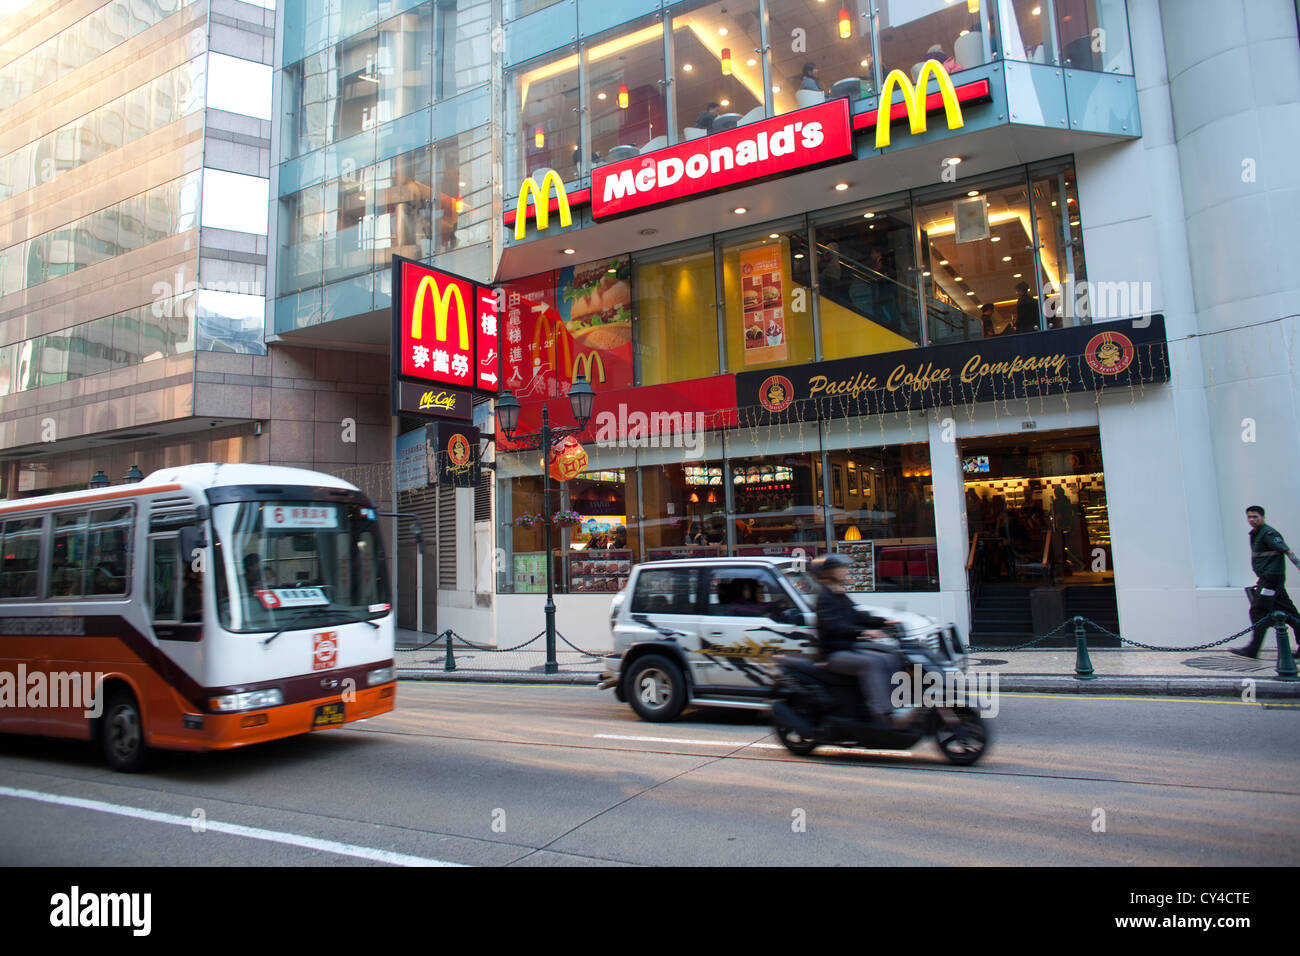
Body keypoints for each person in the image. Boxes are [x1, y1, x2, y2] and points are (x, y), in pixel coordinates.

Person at [811, 554, 910, 727]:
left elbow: (856, 614)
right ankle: (883, 712)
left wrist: (883, 621)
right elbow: (835, 625)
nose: (845, 571)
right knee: (871, 663)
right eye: (840, 568)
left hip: (849, 646)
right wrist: (865, 632)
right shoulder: (824, 597)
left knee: (891, 655)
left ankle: (897, 701)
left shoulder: (838, 593)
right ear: (829, 572)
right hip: (834, 652)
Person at [1232, 506, 1300, 658]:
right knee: (1290, 612)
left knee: (1258, 611)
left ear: (1263, 517)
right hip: (1270, 579)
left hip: (1270, 580)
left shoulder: (1268, 533)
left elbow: (1287, 551)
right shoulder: (1256, 534)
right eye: (1249, 517)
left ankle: (1253, 649)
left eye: (1255, 517)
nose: (1252, 520)